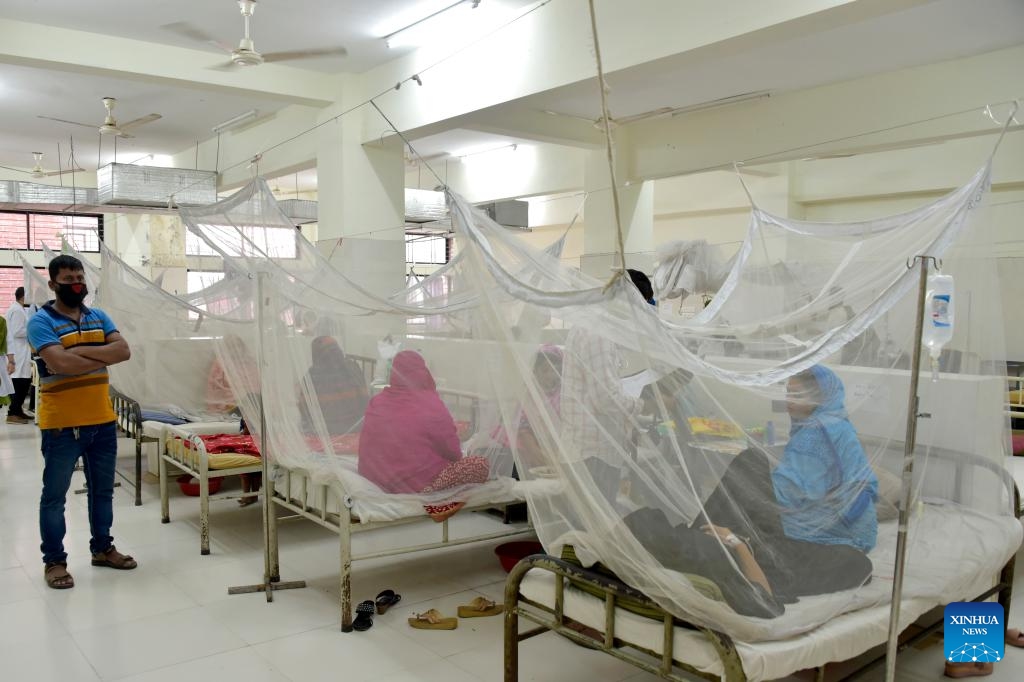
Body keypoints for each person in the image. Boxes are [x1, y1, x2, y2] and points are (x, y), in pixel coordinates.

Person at [695, 365, 877, 601]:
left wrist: (753, 490)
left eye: (798, 395)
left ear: (820, 397)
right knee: (748, 475)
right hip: (856, 527)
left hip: (834, 527)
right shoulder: (837, 422)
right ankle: (705, 535)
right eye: (788, 392)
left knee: (749, 464)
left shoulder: (816, 432)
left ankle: (699, 536)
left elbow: (789, 493)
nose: (788, 400)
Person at [28, 255, 135, 590]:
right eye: (68, 278)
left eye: (79, 276)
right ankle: (55, 562)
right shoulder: (40, 321)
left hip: (102, 421)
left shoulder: (98, 315)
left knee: (102, 492)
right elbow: (59, 362)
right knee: (54, 496)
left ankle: (102, 549)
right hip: (62, 425)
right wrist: (97, 351)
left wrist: (77, 355)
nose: (76, 283)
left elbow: (124, 351)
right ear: (53, 284)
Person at [358, 351, 489, 522]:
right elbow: (454, 453)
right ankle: (435, 500)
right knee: (480, 464)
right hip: (414, 484)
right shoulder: (430, 404)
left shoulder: (378, 400)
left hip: (376, 476)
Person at [560, 269, 652, 491]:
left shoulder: (600, 329)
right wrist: (643, 405)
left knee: (591, 520)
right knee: (593, 521)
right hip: (592, 449)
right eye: (640, 308)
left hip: (594, 445)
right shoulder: (597, 335)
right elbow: (605, 398)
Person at [298, 336, 369, 436]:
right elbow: (365, 402)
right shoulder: (353, 368)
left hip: (323, 433)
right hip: (355, 429)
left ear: (315, 354)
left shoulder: (311, 376)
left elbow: (305, 411)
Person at [6, 287, 35, 423]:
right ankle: (13, 412)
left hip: (21, 350)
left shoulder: (19, 309)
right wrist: (32, 329)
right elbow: (17, 331)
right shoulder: (17, 310)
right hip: (18, 351)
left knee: (24, 381)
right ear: (23, 296)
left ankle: (18, 410)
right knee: (19, 382)